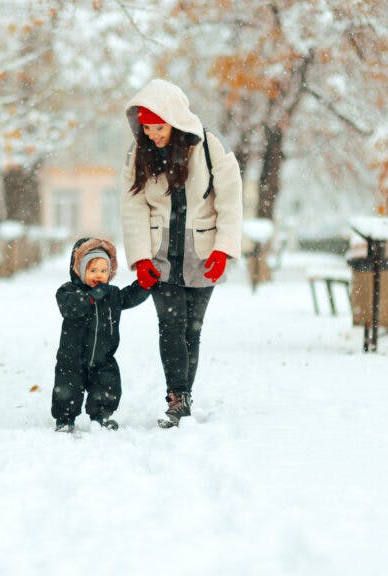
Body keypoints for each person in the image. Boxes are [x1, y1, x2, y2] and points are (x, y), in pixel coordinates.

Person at [120, 78, 243, 427]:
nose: (152, 135)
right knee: (170, 326)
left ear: (173, 121)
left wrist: (223, 249)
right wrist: (141, 257)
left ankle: (183, 394)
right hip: (160, 255)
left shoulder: (209, 146)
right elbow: (133, 206)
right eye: (145, 128)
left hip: (202, 253)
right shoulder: (138, 154)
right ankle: (177, 397)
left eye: (157, 127)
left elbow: (231, 199)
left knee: (192, 328)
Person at [51, 236, 151, 433]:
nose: (99, 275)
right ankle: (65, 419)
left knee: (107, 386)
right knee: (67, 388)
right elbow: (68, 307)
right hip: (72, 357)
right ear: (80, 270)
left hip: (102, 357)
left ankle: (101, 416)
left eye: (104, 270)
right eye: (93, 270)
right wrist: (89, 298)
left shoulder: (112, 294)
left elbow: (129, 297)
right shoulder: (68, 291)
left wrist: (144, 285)